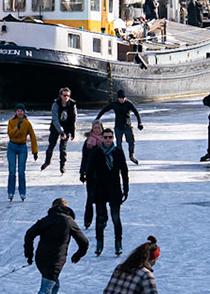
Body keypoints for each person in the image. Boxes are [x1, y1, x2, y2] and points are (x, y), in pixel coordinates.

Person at [20, 197, 88, 294]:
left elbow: (29, 234)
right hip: (55, 260)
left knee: (54, 285)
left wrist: (29, 254)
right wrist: (79, 254)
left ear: (53, 207)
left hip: (41, 259)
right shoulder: (68, 221)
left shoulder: (46, 220)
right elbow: (84, 242)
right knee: (46, 288)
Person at [79, 124, 130, 256]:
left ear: (113, 138)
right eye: (105, 137)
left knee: (116, 218)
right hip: (100, 189)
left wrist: (126, 188)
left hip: (114, 189)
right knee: (100, 218)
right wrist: (90, 190)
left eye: (110, 137)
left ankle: (118, 243)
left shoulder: (118, 152)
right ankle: (99, 243)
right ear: (102, 138)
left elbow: (124, 171)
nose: (107, 139)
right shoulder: (96, 152)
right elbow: (90, 171)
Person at [92, 89, 144, 163]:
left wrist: (140, 123)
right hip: (118, 127)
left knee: (131, 142)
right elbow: (105, 109)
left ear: (125, 98)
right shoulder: (114, 104)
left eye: (123, 98)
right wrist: (98, 118)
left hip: (127, 126)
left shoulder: (128, 104)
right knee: (119, 144)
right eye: (120, 98)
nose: (121, 100)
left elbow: (136, 113)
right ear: (118, 98)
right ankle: (120, 157)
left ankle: (131, 155)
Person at [40, 87, 78, 173]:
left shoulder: (72, 104)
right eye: (64, 95)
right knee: (51, 145)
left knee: (63, 148)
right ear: (60, 95)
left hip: (67, 128)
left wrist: (73, 132)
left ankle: (62, 165)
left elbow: (74, 119)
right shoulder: (56, 104)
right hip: (55, 127)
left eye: (68, 95)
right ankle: (47, 161)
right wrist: (61, 132)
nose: (66, 97)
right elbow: (55, 119)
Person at [5, 104, 37, 200]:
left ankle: (22, 192)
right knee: (12, 171)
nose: (20, 113)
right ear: (16, 112)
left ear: (24, 112)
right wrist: (17, 127)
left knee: (21, 172)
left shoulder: (27, 123)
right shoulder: (11, 122)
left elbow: (32, 136)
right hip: (12, 146)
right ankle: (11, 192)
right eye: (18, 111)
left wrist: (35, 151)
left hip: (22, 147)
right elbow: (10, 134)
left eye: (21, 111)